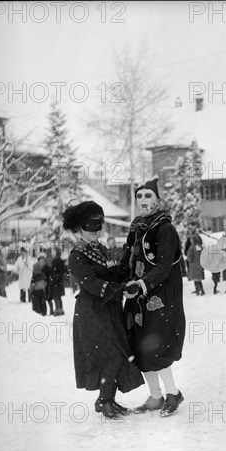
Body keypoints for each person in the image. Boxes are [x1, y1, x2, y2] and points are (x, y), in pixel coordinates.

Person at [63, 200, 145, 420]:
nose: (94, 232)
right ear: (79, 229)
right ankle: (103, 400)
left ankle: (107, 399)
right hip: (92, 312)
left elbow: (114, 273)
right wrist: (119, 290)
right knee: (110, 355)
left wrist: (128, 264)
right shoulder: (77, 255)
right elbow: (92, 284)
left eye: (97, 226)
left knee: (117, 354)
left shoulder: (101, 249)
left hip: (110, 310)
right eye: (89, 227)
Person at [122, 177, 186, 417]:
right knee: (139, 346)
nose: (143, 200)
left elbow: (164, 267)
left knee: (155, 347)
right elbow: (126, 259)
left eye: (148, 196)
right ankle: (156, 396)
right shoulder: (137, 228)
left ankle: (173, 393)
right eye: (139, 196)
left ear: (158, 200)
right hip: (137, 298)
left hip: (160, 297)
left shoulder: (166, 229)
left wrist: (141, 284)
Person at [51, 247, 66, 315]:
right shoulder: (54, 261)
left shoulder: (59, 261)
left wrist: (56, 278)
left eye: (54, 252)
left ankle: (59, 309)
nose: (52, 253)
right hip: (54, 281)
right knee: (55, 296)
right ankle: (58, 309)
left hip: (58, 282)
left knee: (57, 296)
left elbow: (62, 272)